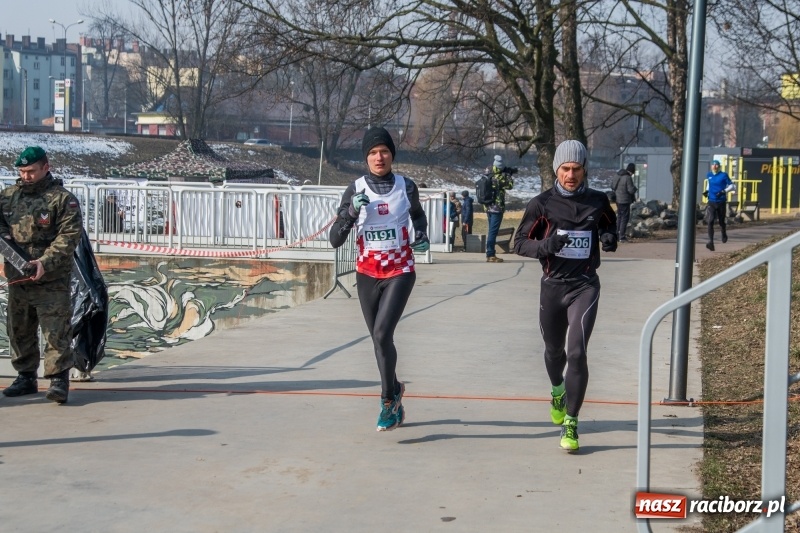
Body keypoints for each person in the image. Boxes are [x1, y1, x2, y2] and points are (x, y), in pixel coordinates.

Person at [512, 140, 617, 453]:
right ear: (556, 169)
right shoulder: (541, 204)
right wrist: (546, 247)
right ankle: (557, 390)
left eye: (576, 168)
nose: (571, 174)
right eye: (565, 168)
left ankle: (571, 422)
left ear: (585, 169)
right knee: (553, 350)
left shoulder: (598, 201)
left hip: (585, 286)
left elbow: (609, 225)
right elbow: (518, 244)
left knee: (577, 353)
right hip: (553, 286)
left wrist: (610, 238)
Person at [329, 127, 429, 431]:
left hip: (400, 271)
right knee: (378, 340)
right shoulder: (355, 188)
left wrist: (422, 236)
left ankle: (387, 401)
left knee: (383, 334)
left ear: (392, 155)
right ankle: (396, 389)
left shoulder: (406, 186)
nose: (379, 156)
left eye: (384, 151)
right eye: (372, 152)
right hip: (367, 273)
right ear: (366, 158)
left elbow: (419, 217)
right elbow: (335, 239)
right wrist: (350, 212)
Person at [0, 146, 83, 404]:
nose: (26, 176)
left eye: (31, 171)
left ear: (45, 168)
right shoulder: (8, 197)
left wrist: (44, 262)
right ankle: (26, 377)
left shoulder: (61, 200)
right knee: (19, 329)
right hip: (18, 279)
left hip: (51, 280)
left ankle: (58, 379)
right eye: (22, 172)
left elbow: (68, 238)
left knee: (55, 330)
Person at [485, 155, 515, 263]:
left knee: (491, 231)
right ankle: (490, 254)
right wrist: (509, 175)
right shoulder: (499, 178)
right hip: (497, 208)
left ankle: (490, 252)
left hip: (488, 207)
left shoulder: (488, 173)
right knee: (493, 232)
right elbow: (510, 185)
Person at [704, 159, 735, 251]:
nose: (714, 166)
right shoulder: (709, 175)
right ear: (711, 166)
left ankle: (723, 232)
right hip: (711, 201)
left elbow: (732, 186)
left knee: (721, 221)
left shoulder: (723, 175)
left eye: (716, 165)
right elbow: (709, 185)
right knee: (710, 221)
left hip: (721, 201)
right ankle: (711, 242)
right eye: (713, 165)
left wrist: (723, 191)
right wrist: (706, 191)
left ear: (719, 166)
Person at [612, 163, 638, 242]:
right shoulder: (627, 177)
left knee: (619, 217)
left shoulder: (617, 175)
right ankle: (622, 237)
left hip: (617, 199)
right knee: (624, 218)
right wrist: (635, 189)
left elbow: (612, 186)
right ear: (632, 171)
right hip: (625, 200)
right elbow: (630, 190)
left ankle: (616, 235)